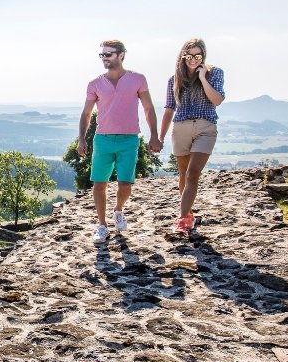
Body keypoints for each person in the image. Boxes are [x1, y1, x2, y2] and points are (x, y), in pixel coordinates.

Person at [77, 39, 162, 243]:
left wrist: (154, 135)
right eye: (102, 55)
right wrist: (82, 139)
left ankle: (118, 210)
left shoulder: (138, 79)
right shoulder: (95, 84)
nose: (104, 58)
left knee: (125, 185)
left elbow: (148, 108)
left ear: (121, 55)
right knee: (99, 184)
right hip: (103, 140)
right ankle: (102, 225)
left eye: (109, 54)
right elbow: (87, 113)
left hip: (129, 139)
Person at [159, 38, 225, 235]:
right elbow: (169, 109)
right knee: (183, 174)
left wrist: (203, 77)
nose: (193, 59)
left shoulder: (215, 73)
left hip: (206, 126)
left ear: (203, 56)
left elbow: (217, 100)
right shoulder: (174, 80)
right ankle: (187, 214)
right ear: (183, 56)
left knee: (192, 173)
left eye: (198, 55)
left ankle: (181, 218)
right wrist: (159, 137)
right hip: (181, 127)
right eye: (190, 55)